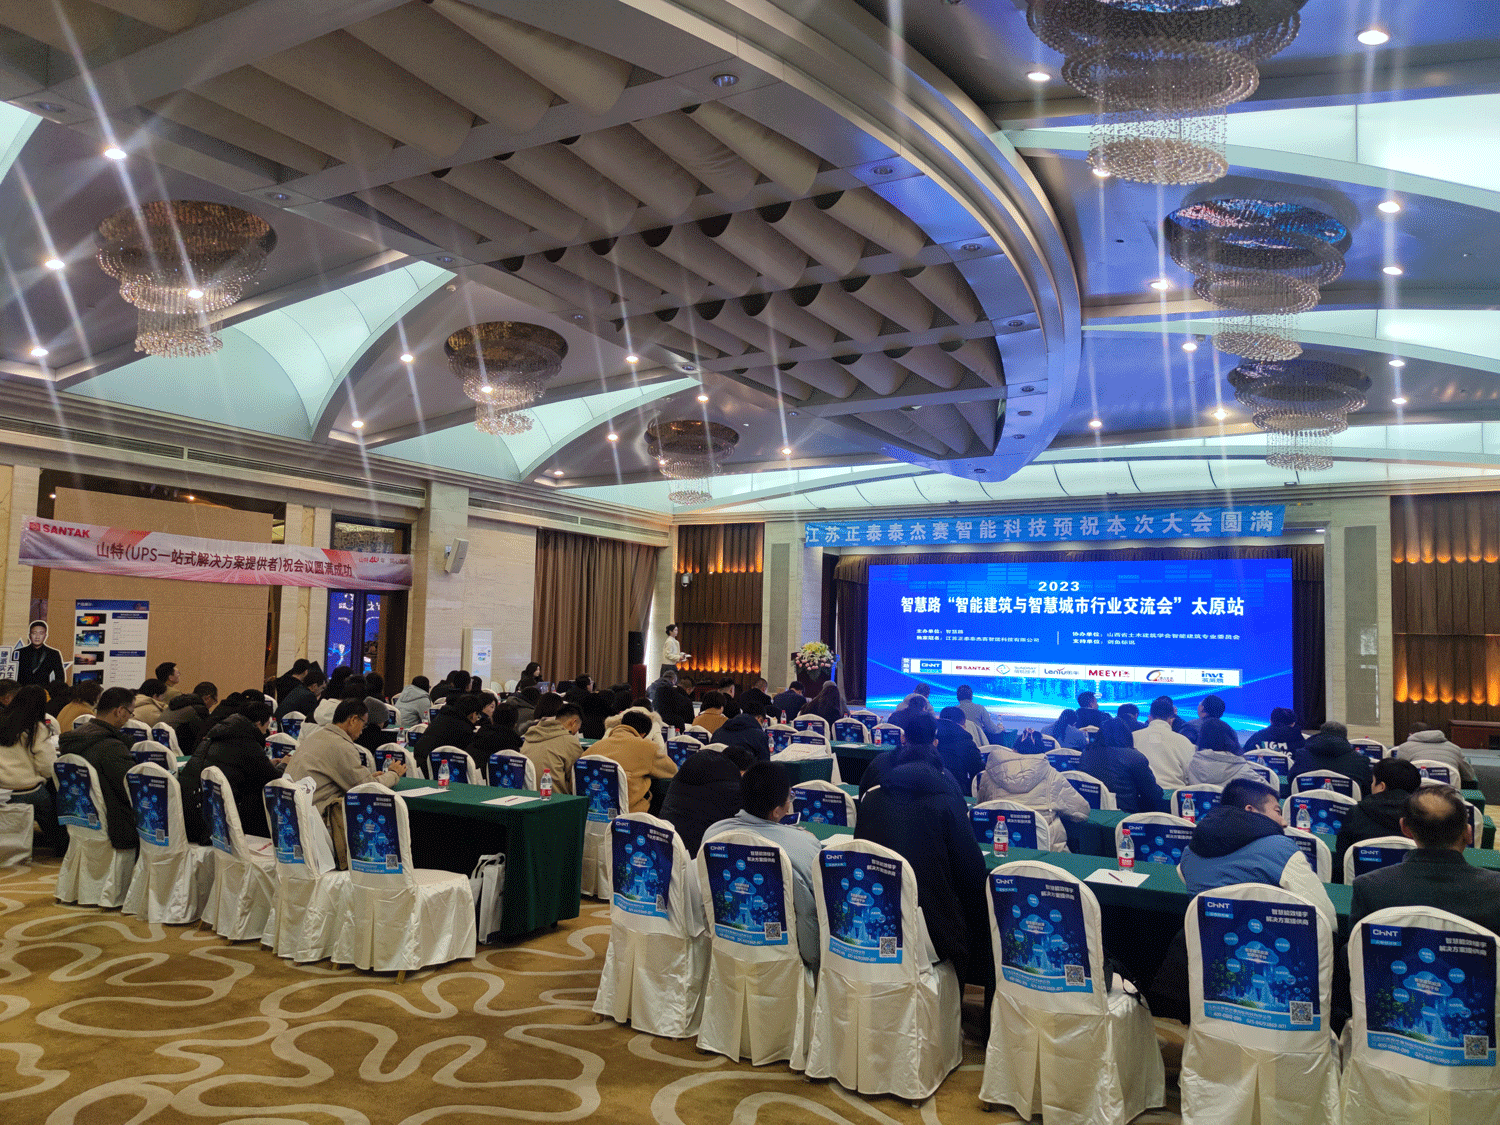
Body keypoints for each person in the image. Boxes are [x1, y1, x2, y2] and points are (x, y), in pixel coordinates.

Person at [855, 710, 992, 986]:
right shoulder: (947, 792)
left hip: (872, 916)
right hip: (931, 928)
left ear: (903, 738)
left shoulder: (873, 793)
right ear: (935, 743)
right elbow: (971, 870)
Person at [703, 762, 824, 973]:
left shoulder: (713, 835)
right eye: (789, 798)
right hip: (784, 964)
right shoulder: (805, 846)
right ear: (776, 812)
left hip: (725, 952)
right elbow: (810, 913)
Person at [1178, 777, 1337, 926]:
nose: (1284, 822)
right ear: (1251, 810)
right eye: (1277, 812)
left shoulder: (1189, 852)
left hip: (1207, 942)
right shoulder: (1281, 849)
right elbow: (1325, 916)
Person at [1349, 784, 1500, 935]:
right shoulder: (1496, 890)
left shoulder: (1368, 887)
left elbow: (1354, 945)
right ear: (1468, 833)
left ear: (1405, 829)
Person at [283, 698, 406, 868]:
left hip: (292, 821)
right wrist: (393, 774)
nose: (362, 731)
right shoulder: (341, 745)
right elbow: (367, 789)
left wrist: (368, 776)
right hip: (317, 826)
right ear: (353, 720)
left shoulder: (315, 737)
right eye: (363, 724)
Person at [182, 697, 284, 842]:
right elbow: (273, 779)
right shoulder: (246, 741)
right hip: (214, 824)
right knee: (257, 796)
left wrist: (268, 764)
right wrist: (285, 764)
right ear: (258, 723)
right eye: (266, 725)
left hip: (190, 813)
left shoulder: (219, 733)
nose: (266, 731)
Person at [56, 687, 138, 854]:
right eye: (130, 713)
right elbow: (130, 790)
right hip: (114, 824)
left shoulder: (74, 738)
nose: (130, 718)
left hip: (80, 818)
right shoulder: (112, 747)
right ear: (120, 711)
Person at [975, 729, 1089, 849]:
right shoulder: (1053, 776)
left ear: (1013, 749)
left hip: (999, 848)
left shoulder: (988, 775)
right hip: (1047, 851)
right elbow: (1082, 812)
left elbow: (981, 807)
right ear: (1042, 752)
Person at [661, 743, 756, 855]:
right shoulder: (732, 790)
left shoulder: (687, 771)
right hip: (699, 854)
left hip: (664, 844)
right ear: (742, 773)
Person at [0, 685, 64, 851]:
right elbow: (47, 766)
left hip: (2, 789)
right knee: (51, 808)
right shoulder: (36, 728)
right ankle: (60, 845)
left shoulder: (2, 721)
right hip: (25, 789)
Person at [1335, 757, 1423, 862]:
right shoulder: (1425, 816)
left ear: (1382, 786)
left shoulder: (1356, 813)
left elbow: (1341, 860)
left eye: (1373, 782)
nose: (1371, 785)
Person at [592, 708, 676, 813]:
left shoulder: (595, 747)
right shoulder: (646, 747)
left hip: (594, 811)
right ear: (643, 734)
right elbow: (672, 771)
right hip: (631, 813)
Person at [1079, 717, 1168, 813]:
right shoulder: (1134, 757)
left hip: (1092, 810)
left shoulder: (1086, 753)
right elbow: (1152, 794)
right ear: (1127, 735)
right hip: (1126, 813)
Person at [1290, 720, 1373, 793]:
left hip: (1306, 804)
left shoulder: (1302, 755)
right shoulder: (1359, 761)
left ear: (1321, 733)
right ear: (1345, 737)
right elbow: (1368, 788)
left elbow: (1291, 780)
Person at [518, 701, 584, 792]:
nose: (576, 732)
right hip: (555, 797)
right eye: (578, 728)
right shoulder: (569, 741)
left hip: (527, 794)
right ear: (573, 722)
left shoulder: (530, 736)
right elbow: (578, 777)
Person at [1134, 696, 1197, 789]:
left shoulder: (1133, 737)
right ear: (1171, 720)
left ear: (1150, 718)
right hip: (1174, 794)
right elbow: (1190, 775)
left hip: (1140, 794)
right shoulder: (1184, 741)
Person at [412, 692, 481, 774]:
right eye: (478, 716)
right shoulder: (464, 729)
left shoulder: (441, 717)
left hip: (419, 765)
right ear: (473, 714)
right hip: (436, 769)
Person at [1391, 722, 1477, 786]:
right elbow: (1469, 776)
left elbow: (1399, 777)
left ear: (1410, 734)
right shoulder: (1455, 748)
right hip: (1449, 797)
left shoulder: (1404, 747)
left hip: (1414, 798)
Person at [1185, 716, 1261, 786]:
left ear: (1201, 740)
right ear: (1231, 738)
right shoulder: (1243, 769)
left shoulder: (1189, 767)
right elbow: (1265, 792)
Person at [935, 706, 985, 796]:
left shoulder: (929, 738)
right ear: (961, 723)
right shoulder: (966, 742)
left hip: (927, 792)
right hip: (957, 794)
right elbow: (978, 772)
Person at [160, 682, 216, 755]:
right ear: (207, 698)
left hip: (161, 745)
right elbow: (205, 733)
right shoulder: (199, 708)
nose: (212, 705)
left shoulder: (178, 703)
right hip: (177, 751)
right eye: (214, 701)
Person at [16, 621, 65, 697]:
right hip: (22, 693)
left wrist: (52, 693)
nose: (37, 637)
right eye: (34, 633)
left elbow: (60, 677)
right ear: (29, 635)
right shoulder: (19, 652)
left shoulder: (53, 654)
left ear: (45, 636)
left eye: (41, 633)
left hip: (43, 693)